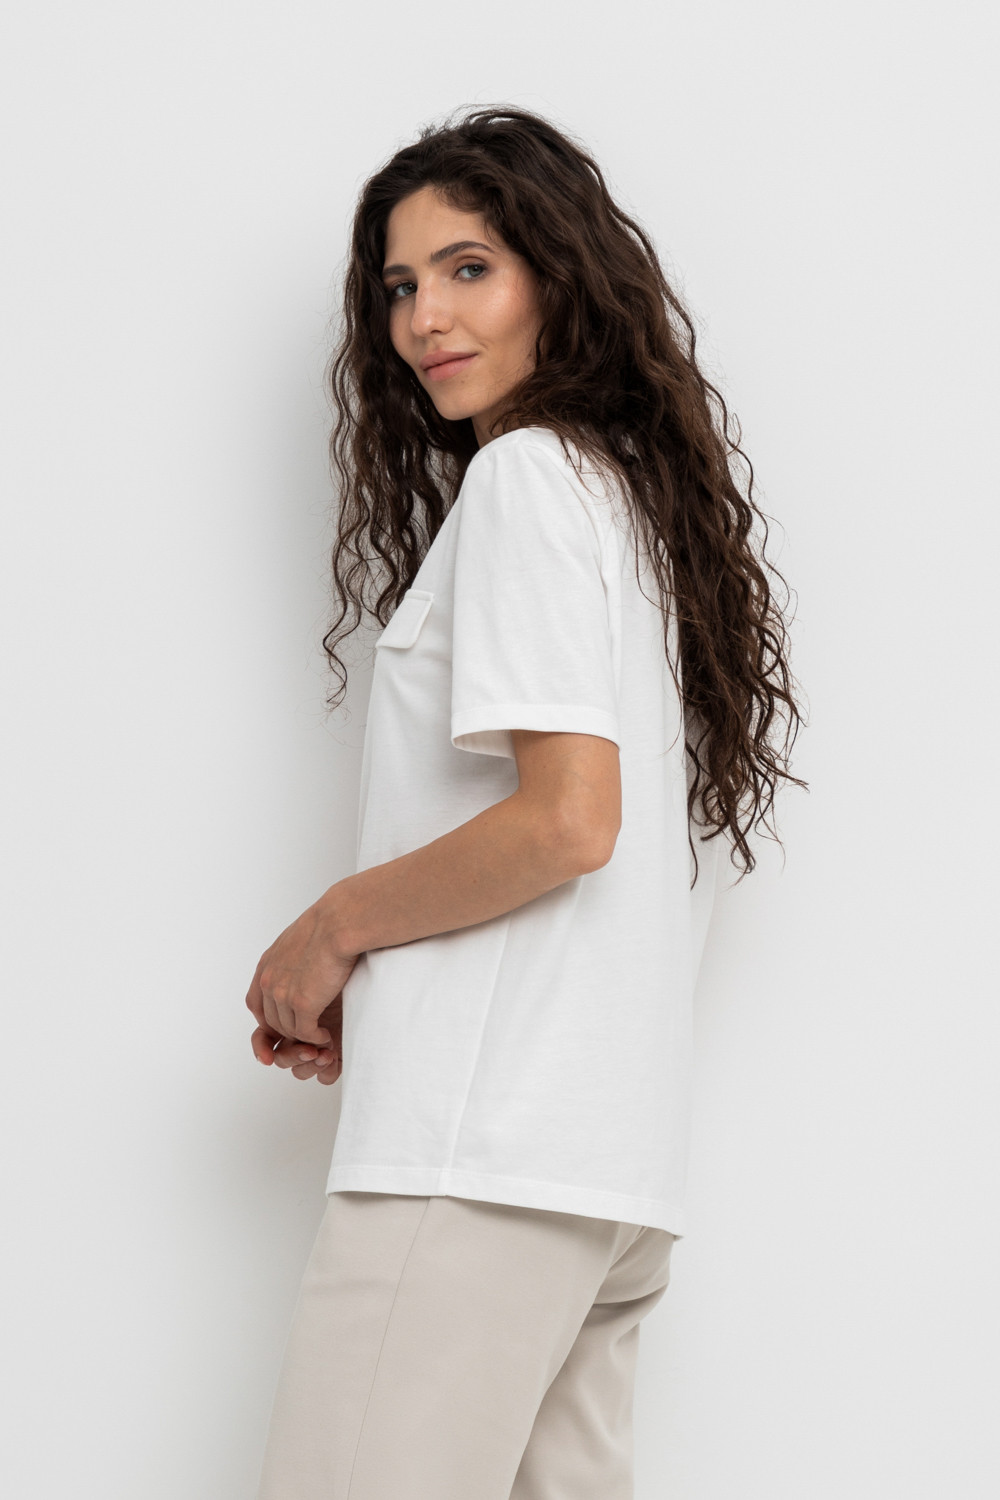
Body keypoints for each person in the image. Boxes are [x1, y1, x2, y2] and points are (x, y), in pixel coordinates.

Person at [246, 105, 806, 1500]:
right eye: (400, 285)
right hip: (601, 1178)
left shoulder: (528, 479)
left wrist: (334, 930)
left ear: (560, 276)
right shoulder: (627, 509)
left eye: (469, 268)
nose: (424, 317)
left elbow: (568, 823)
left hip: (479, 1158)